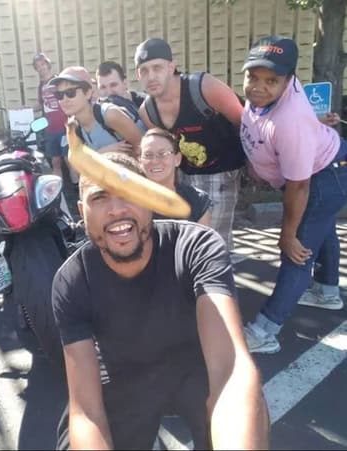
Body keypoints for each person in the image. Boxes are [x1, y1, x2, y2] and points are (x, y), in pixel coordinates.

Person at [52, 151, 269, 449]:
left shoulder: (196, 248)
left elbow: (229, 370)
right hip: (122, 376)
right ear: (82, 211)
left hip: (197, 369)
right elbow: (86, 410)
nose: (116, 209)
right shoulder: (73, 280)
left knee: (248, 407)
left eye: (130, 192)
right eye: (100, 197)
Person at [239, 36, 347, 354]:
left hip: (324, 178)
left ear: (288, 80)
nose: (258, 87)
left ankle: (264, 331)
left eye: (271, 81)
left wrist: (287, 235)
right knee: (322, 230)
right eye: (252, 77)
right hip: (330, 166)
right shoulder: (272, 97)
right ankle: (327, 292)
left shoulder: (291, 121)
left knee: (297, 252)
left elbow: (299, 186)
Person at [135, 38, 245, 251]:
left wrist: (256, 163)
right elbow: (166, 147)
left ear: (171, 66)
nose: (151, 76)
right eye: (144, 71)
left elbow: (245, 121)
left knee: (212, 241)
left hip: (221, 171)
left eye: (157, 68)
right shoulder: (147, 111)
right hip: (183, 175)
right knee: (184, 241)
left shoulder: (204, 87)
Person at [49, 66, 144, 156]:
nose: (64, 100)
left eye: (70, 93)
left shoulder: (110, 115)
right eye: (59, 95)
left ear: (88, 93)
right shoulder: (74, 127)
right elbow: (78, 162)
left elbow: (143, 149)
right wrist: (102, 153)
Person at [140, 128, 212, 225]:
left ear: (177, 159)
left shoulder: (197, 200)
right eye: (148, 155)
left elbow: (203, 234)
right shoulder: (129, 201)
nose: (155, 161)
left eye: (162, 154)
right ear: (139, 161)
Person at [32, 52, 69, 180]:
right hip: (50, 130)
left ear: (48, 65)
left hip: (65, 127)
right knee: (55, 162)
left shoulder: (58, 81)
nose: (41, 67)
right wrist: (25, 110)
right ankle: (58, 188)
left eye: (43, 64)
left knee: (69, 160)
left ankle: (78, 189)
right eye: (38, 66)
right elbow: (40, 105)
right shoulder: (40, 86)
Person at [95, 61, 147, 132]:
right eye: (103, 87)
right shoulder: (97, 112)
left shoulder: (145, 103)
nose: (109, 92)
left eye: (113, 85)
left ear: (125, 83)